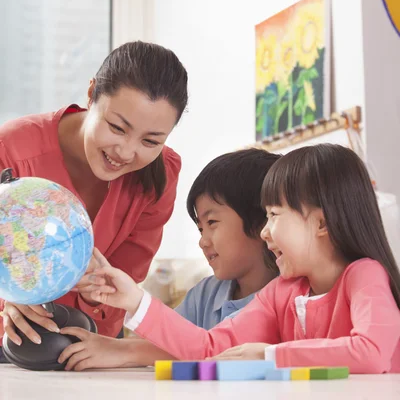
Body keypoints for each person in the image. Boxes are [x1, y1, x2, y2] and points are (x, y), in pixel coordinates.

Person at [73, 144, 400, 374]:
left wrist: (270, 355)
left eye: (274, 215)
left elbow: (371, 354)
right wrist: (134, 300)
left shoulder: (365, 276)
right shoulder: (282, 293)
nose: (264, 232)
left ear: (321, 223)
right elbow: (212, 347)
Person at [0, 40, 188, 359]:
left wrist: (100, 293)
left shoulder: (162, 174)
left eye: (150, 140)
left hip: (91, 349)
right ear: (91, 94)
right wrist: (10, 297)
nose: (126, 152)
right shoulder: (13, 148)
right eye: (117, 127)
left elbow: (126, 281)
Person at [57, 148, 280, 370]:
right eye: (201, 229)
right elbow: (169, 341)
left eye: (212, 223)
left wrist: (123, 345)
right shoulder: (206, 293)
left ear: (262, 221)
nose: (203, 241)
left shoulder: (287, 298)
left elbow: (211, 349)